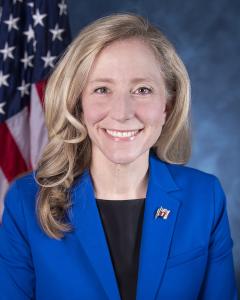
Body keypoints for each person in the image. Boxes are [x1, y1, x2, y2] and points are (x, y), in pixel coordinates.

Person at [0, 13, 238, 300]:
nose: (122, 112)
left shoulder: (204, 196)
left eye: (142, 90)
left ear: (168, 105)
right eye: (102, 89)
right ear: (78, 104)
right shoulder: (26, 203)